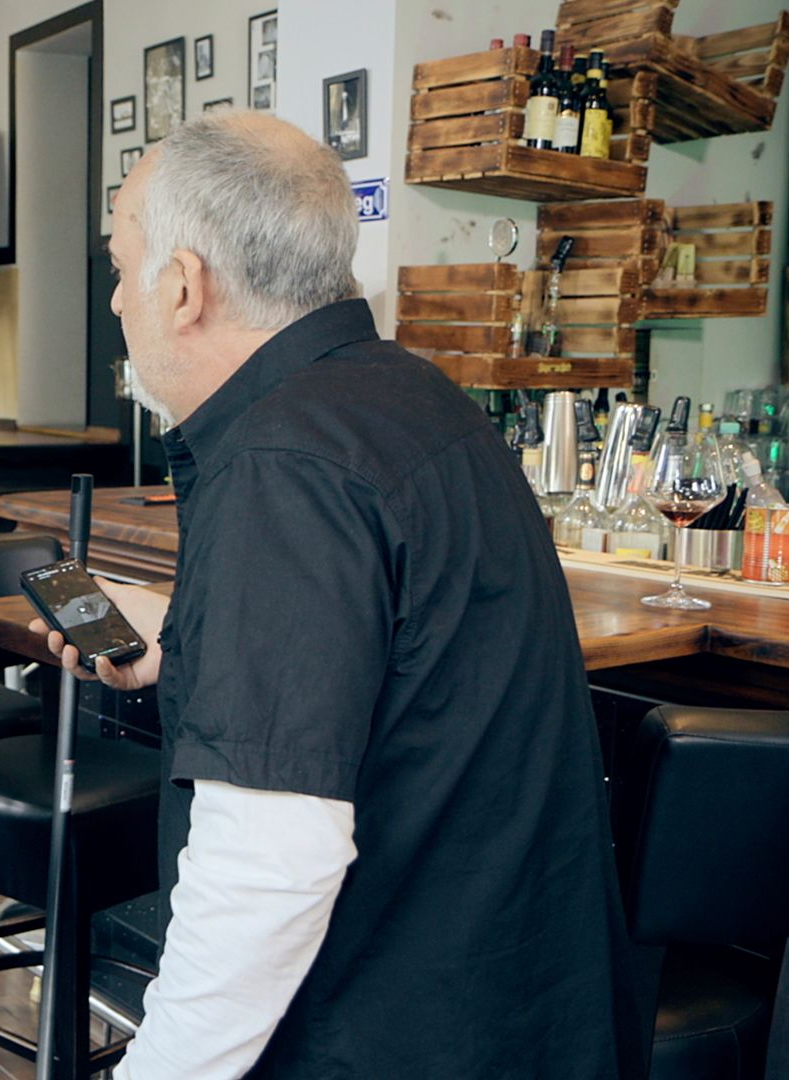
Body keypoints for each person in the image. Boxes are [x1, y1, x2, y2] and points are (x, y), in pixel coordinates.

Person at [34, 113, 642, 1077]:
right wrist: (193, 640)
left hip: (387, 1025)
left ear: (184, 286)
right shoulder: (414, 398)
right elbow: (400, 677)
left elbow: (268, 864)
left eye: (120, 266)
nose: (116, 299)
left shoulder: (283, 465)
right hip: (511, 1004)